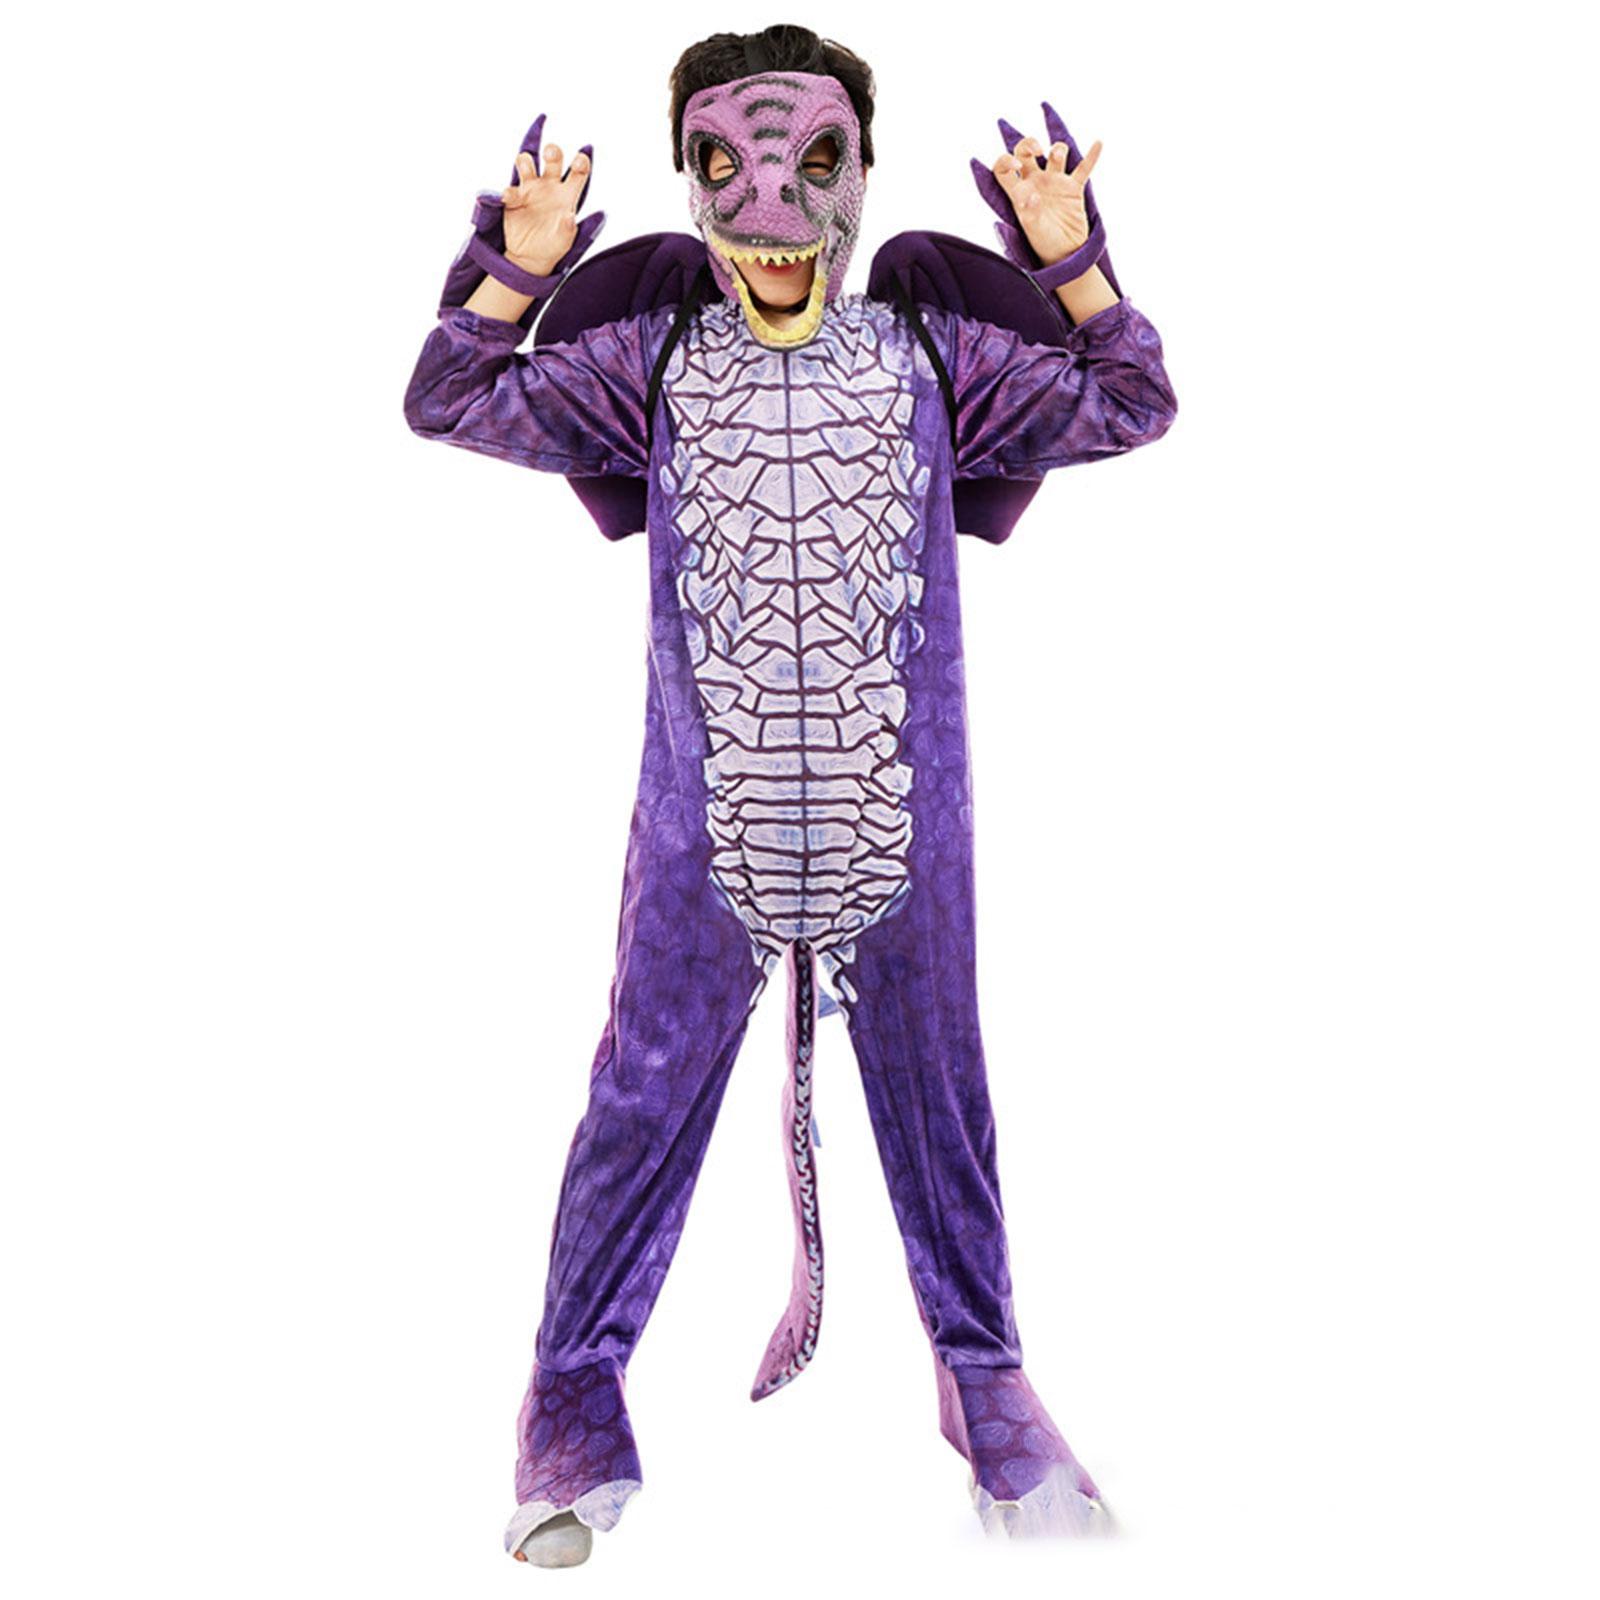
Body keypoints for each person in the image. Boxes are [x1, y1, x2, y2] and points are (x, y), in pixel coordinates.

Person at [403, 21, 1177, 1564]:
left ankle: (982, 1373)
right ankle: (571, 1389)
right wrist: (521, 265)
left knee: (941, 1094)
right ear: (693, 184)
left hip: (905, 824)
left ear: (862, 172)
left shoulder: (939, 359)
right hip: (708, 827)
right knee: (641, 1097)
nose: (774, 210)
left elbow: (1133, 398)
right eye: (726, 166)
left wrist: (1067, 251)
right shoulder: (651, 362)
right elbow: (450, 395)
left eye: (814, 162)